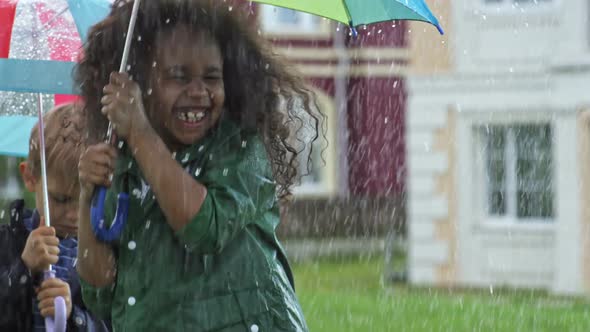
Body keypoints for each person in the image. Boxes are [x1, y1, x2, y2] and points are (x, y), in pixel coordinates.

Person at [76, 0, 322, 331]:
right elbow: (100, 291)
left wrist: (140, 132)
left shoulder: (241, 147)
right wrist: (87, 195)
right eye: (178, 77)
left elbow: (205, 228)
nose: (198, 92)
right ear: (137, 84)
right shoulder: (121, 157)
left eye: (212, 77)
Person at [0, 102, 110, 332]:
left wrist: (75, 317)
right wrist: (23, 268)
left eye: (86, 201)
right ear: (30, 177)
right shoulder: (6, 243)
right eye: (60, 199)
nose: (74, 215)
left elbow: (115, 323)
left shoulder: (104, 256)